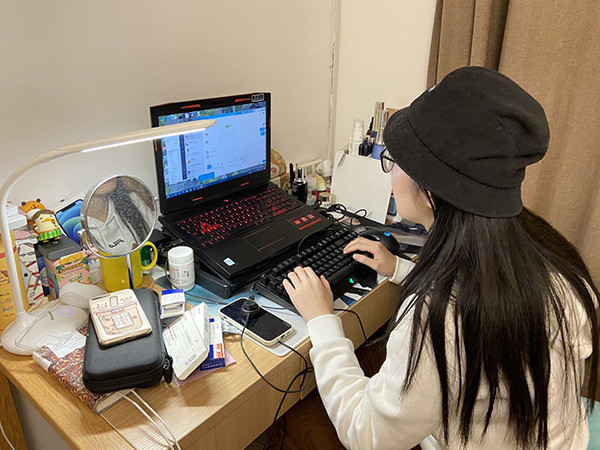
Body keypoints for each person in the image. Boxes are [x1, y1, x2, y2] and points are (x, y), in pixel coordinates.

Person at [283, 67, 599, 449]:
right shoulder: (552, 257)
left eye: (394, 160)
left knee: (299, 422)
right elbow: (483, 293)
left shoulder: (440, 316)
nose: (390, 172)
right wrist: (400, 269)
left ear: (431, 190)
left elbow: (368, 436)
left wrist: (322, 322)